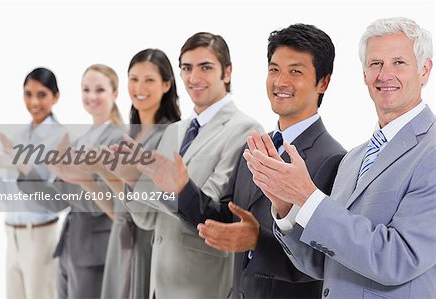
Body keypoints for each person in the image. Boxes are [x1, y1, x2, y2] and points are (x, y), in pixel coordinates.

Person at [138, 24, 347, 298]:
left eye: (295, 71)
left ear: (323, 82)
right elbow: (225, 219)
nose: (280, 81)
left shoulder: (333, 159)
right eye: (274, 69)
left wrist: (257, 241)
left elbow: (322, 260)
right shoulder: (256, 147)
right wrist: (181, 188)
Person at [244, 17, 435, 298]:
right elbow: (323, 262)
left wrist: (309, 198)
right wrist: (287, 207)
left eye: (399, 62)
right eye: (375, 64)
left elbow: (399, 258)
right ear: (364, 74)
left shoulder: (431, 152)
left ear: (424, 70)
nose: (384, 74)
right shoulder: (354, 159)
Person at [123, 32, 263, 299]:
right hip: (159, 283)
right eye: (186, 68)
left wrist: (173, 186)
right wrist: (131, 181)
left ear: (227, 72)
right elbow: (149, 219)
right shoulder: (174, 131)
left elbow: (212, 213)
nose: (193, 78)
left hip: (202, 284)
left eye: (205, 67)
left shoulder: (245, 129)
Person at [17, 64, 125, 298]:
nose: (91, 97)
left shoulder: (120, 139)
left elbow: (103, 203)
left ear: (115, 94)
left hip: (96, 252)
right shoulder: (80, 140)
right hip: (69, 247)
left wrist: (77, 181)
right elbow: (58, 201)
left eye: (99, 90)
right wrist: (26, 172)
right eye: (86, 90)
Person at [95, 49, 181, 299]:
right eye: (133, 78)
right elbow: (118, 209)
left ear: (166, 84)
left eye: (149, 80)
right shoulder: (128, 135)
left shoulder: (170, 134)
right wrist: (91, 175)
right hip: (119, 241)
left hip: (146, 242)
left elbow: (151, 205)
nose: (139, 87)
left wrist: (109, 172)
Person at [0, 67, 64, 299]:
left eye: (41, 94)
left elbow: (53, 197)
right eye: (28, 94)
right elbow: (10, 195)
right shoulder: (19, 137)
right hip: (13, 234)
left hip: (40, 236)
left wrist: (22, 164)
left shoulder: (61, 138)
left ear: (56, 96)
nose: (33, 102)